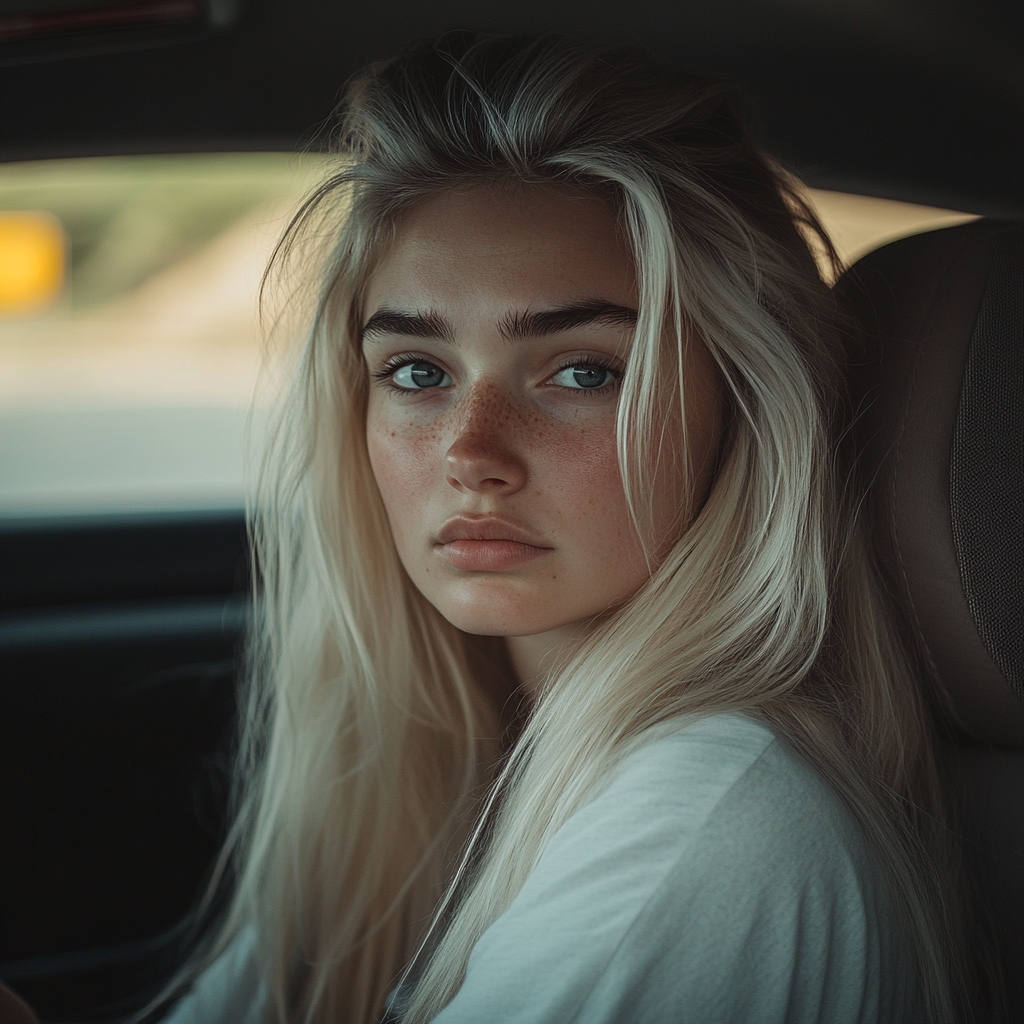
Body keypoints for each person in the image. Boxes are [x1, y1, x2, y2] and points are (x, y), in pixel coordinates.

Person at [151, 31, 972, 1024]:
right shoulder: (437, 784)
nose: (471, 451)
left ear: (746, 403)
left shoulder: (704, 823)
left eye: (583, 371)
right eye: (418, 371)